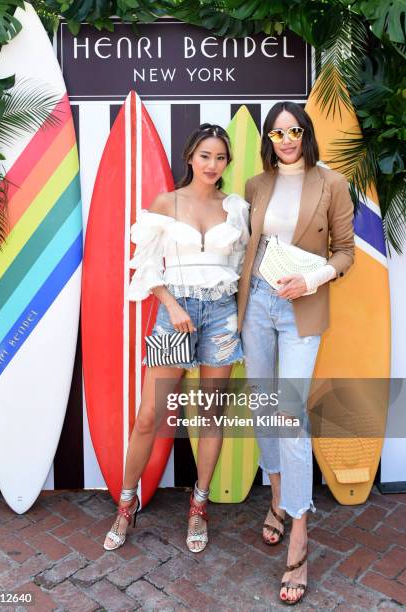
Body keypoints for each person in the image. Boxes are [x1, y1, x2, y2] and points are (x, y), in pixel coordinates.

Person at [104, 123, 249, 554]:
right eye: (205, 155)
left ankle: (198, 506)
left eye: (220, 157)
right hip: (175, 315)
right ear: (190, 157)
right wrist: (171, 304)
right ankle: (126, 504)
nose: (212, 164)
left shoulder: (236, 207)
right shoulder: (165, 203)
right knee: (150, 414)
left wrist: (237, 318)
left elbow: (239, 267)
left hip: (221, 316)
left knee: (210, 415)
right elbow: (145, 266)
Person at [237, 102, 355, 604]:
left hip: (301, 307)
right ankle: (278, 497)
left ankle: (301, 534)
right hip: (256, 304)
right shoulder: (256, 185)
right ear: (269, 138)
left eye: (294, 130)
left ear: (305, 134)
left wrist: (309, 279)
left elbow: (345, 252)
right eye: (277, 131)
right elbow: (249, 247)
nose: (286, 138)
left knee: (290, 414)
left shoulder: (331, 183)